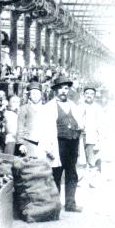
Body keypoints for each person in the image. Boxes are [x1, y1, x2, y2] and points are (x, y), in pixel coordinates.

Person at [49, 76, 84, 212]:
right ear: (56, 90)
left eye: (66, 88)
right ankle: (55, 205)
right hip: (59, 143)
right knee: (56, 173)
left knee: (72, 173)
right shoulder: (50, 107)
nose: (63, 91)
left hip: (73, 143)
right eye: (60, 88)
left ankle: (70, 204)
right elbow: (46, 129)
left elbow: (81, 122)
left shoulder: (73, 106)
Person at [16, 81, 57, 162]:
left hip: (44, 144)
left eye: (37, 94)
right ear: (29, 96)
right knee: (30, 167)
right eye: (33, 94)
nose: (35, 96)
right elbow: (20, 127)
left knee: (42, 167)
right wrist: (20, 144)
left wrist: (50, 144)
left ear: (41, 95)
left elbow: (49, 127)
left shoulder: (46, 108)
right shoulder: (24, 108)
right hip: (28, 143)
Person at [80, 85, 104, 187]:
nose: (89, 96)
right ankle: (83, 179)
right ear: (84, 95)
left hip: (93, 137)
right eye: (87, 94)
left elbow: (101, 125)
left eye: (91, 94)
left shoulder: (97, 108)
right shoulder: (79, 106)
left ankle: (93, 180)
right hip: (81, 137)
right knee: (82, 159)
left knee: (93, 159)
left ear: (94, 96)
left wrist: (100, 140)